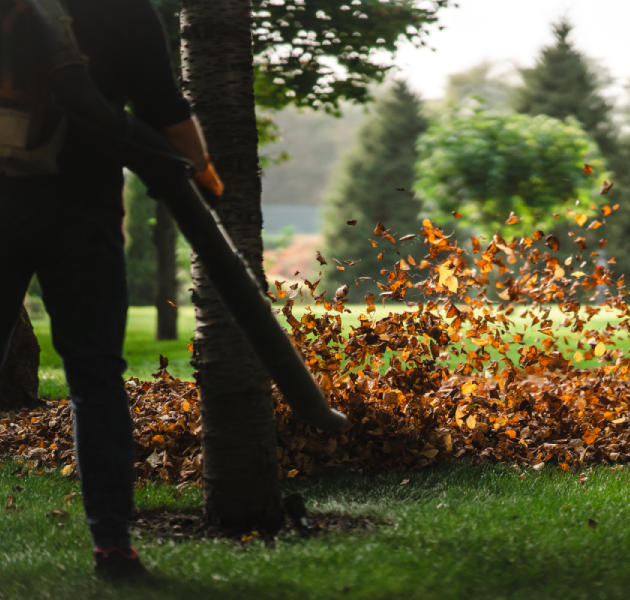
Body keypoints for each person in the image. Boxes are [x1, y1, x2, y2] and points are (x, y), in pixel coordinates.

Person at [0, 0, 215, 579]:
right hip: (82, 215)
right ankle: (114, 547)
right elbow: (162, 107)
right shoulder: (124, 10)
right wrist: (199, 170)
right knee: (95, 380)